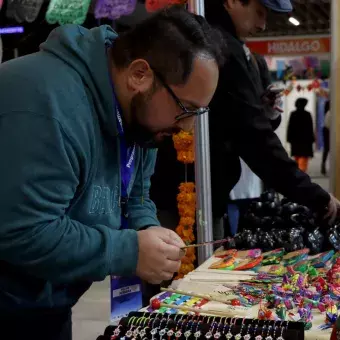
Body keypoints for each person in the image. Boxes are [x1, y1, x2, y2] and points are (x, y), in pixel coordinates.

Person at [0, 6, 224, 339]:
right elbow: (23, 232)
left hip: (48, 301)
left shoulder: (138, 117)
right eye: (185, 109)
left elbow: (136, 193)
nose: (187, 127)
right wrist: (128, 251)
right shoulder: (45, 105)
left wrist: (147, 230)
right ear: (140, 74)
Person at [204, 0, 340, 240]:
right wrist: (313, 194)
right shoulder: (220, 47)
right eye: (259, 13)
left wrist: (262, 111)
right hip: (193, 189)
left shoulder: (235, 49)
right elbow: (254, 137)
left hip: (215, 186)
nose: (263, 25)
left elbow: (253, 126)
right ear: (231, 2)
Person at [225, 53, 282, 238]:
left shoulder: (257, 67)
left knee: (255, 217)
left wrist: (271, 112)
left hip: (254, 170)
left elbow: (268, 128)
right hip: (228, 172)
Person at [287, 98, 315, 172]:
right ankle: (301, 173)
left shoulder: (293, 114)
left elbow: (290, 127)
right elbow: (310, 129)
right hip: (305, 141)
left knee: (297, 157)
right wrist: (312, 139)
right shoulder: (307, 114)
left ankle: (299, 173)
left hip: (296, 140)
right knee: (303, 158)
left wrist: (289, 138)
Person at [322, 100, 331, 175]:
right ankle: (323, 166)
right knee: (327, 150)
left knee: (326, 150)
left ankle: (323, 166)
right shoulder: (330, 113)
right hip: (328, 132)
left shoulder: (327, 113)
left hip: (326, 131)